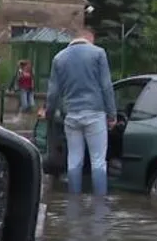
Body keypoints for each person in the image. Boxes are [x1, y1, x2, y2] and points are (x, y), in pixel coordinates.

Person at [39, 27, 117, 195]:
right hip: (95, 113)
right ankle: (100, 203)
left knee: (74, 161)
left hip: (71, 115)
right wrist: (111, 115)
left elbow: (53, 93)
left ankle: (73, 202)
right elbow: (106, 87)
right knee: (98, 161)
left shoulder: (59, 58)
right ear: (89, 38)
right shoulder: (98, 54)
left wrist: (49, 114)